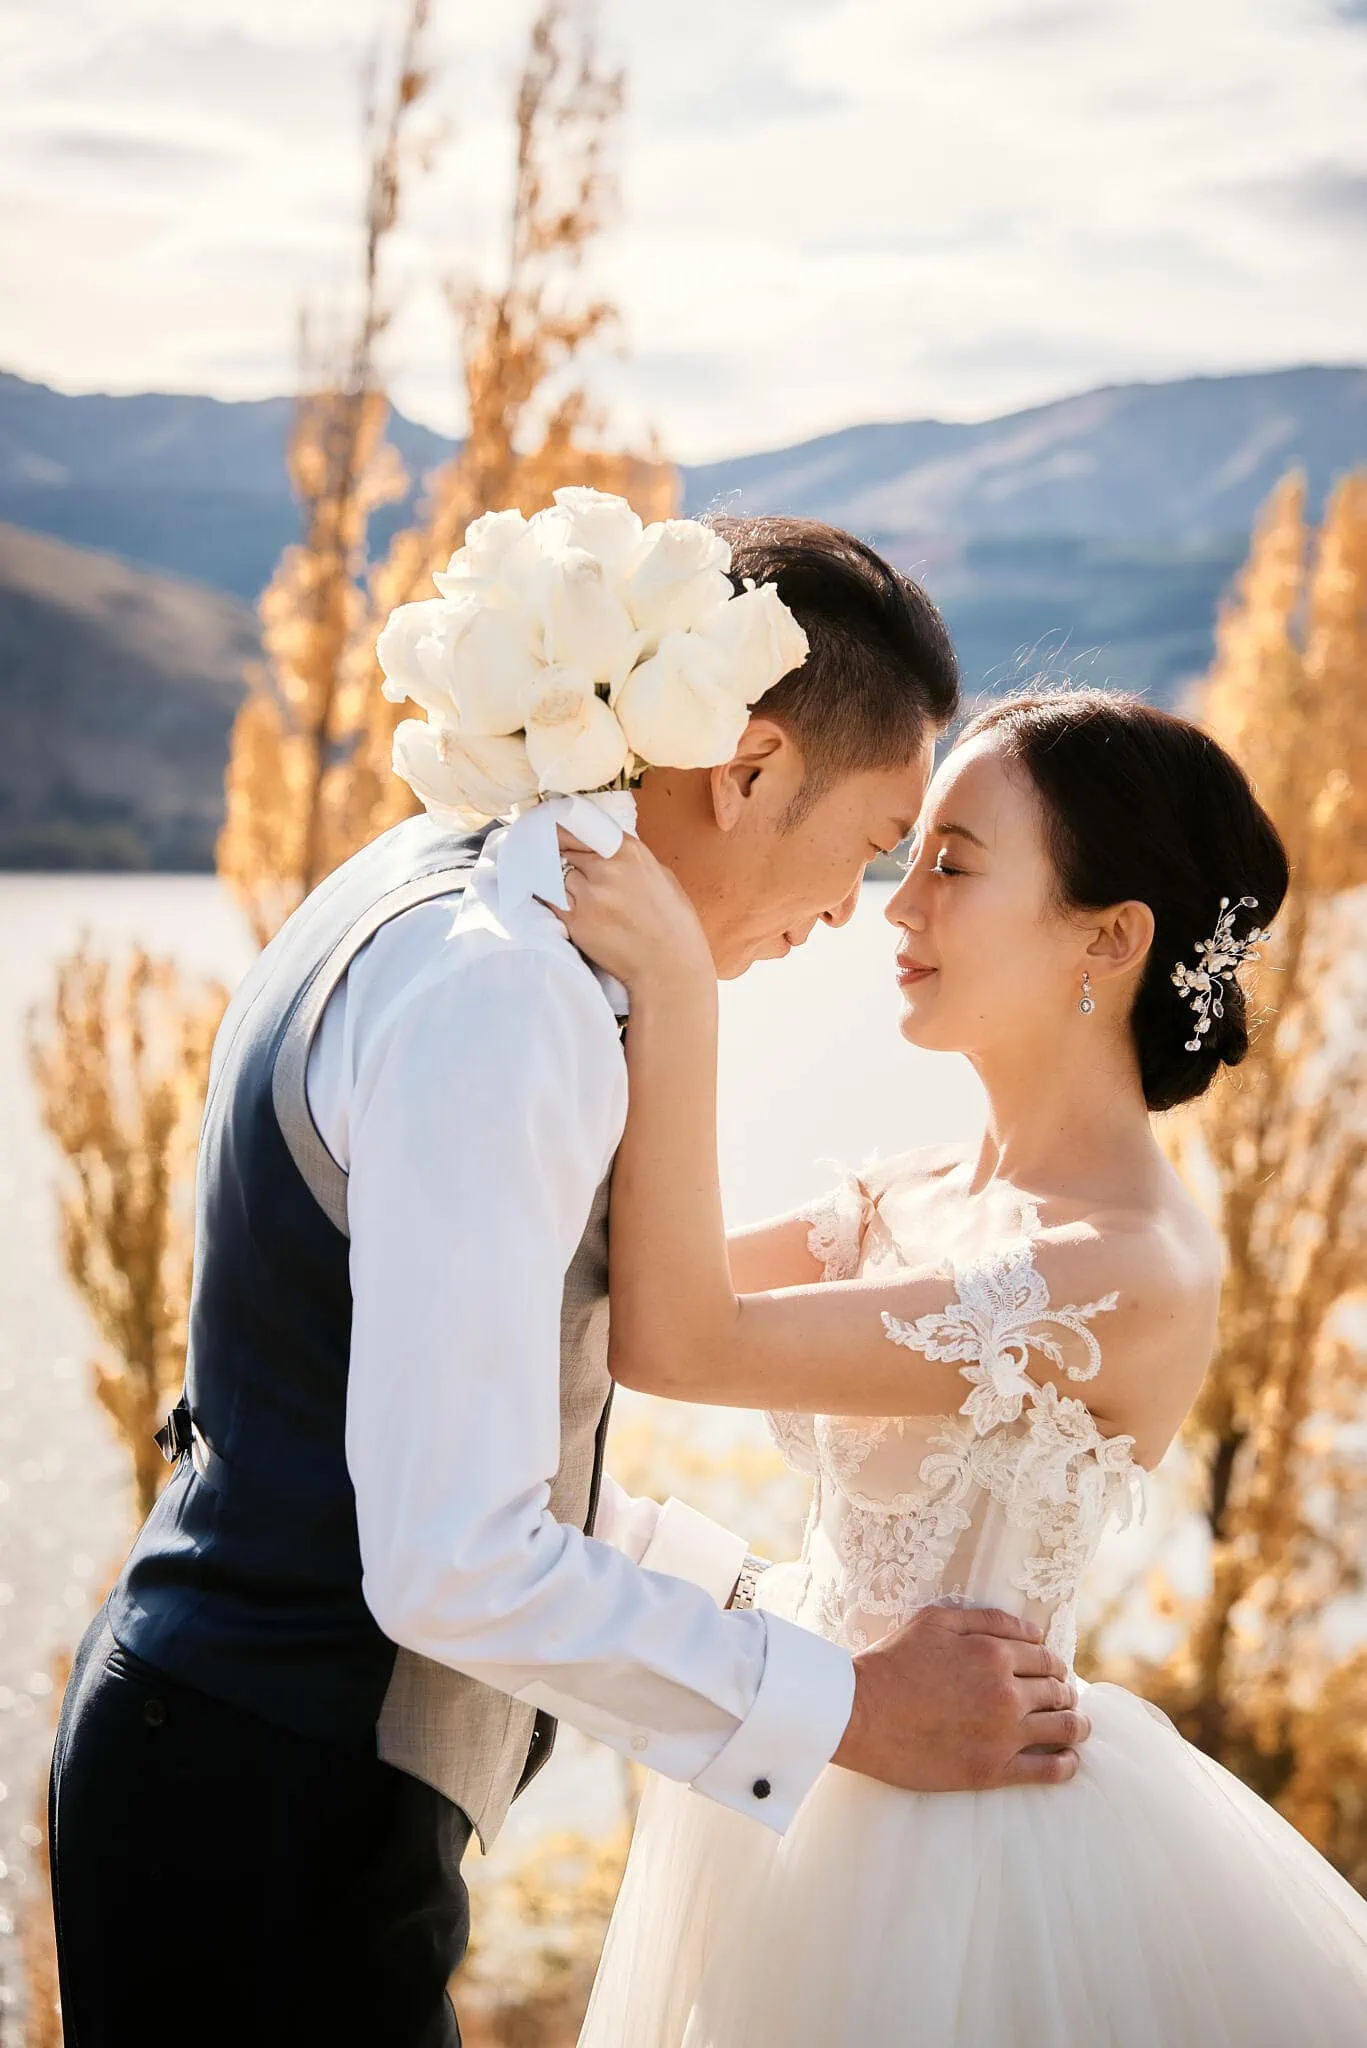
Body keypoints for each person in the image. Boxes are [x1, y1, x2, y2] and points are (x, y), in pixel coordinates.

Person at [47, 520, 1085, 2048]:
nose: (850, 914)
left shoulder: (444, 890)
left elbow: (459, 1442)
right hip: (268, 1820)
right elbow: (454, 1558)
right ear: (746, 769)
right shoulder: (505, 997)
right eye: (867, 847)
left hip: (245, 1773)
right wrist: (846, 1710)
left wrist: (777, 1609)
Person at [561, 687, 1367, 2046]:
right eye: (906, 855)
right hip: (797, 1785)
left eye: (953, 864)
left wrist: (679, 993)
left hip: (972, 1864)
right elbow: (615, 1277)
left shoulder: (1127, 1267)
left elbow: (677, 1341)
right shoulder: (899, 1198)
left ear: (1106, 939)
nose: (896, 907)